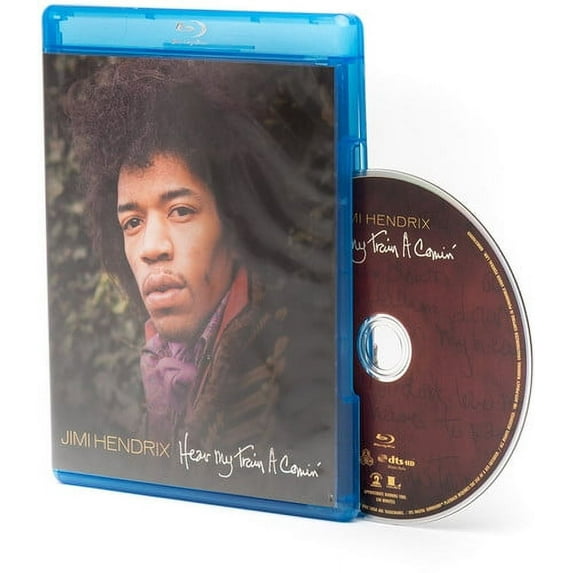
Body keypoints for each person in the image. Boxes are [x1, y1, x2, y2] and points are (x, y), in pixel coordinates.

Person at [64, 57, 337, 474]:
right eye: (132, 222)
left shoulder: (299, 364)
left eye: (181, 211)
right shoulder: (165, 366)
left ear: (235, 221)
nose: (151, 248)